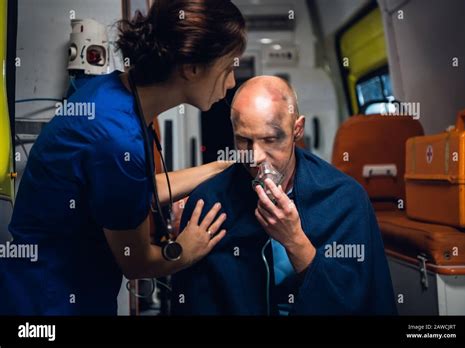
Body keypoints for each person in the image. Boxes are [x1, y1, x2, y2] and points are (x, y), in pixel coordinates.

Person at [0, 0, 246, 315]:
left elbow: (135, 191)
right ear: (193, 68)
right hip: (48, 302)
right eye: (228, 69)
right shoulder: (116, 138)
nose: (231, 82)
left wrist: (222, 167)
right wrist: (187, 249)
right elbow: (135, 260)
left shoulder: (114, 91)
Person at [171, 76, 397, 315]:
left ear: (297, 129)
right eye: (244, 140)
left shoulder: (344, 198)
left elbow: (356, 303)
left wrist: (294, 240)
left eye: (270, 139)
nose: (255, 156)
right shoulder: (210, 202)